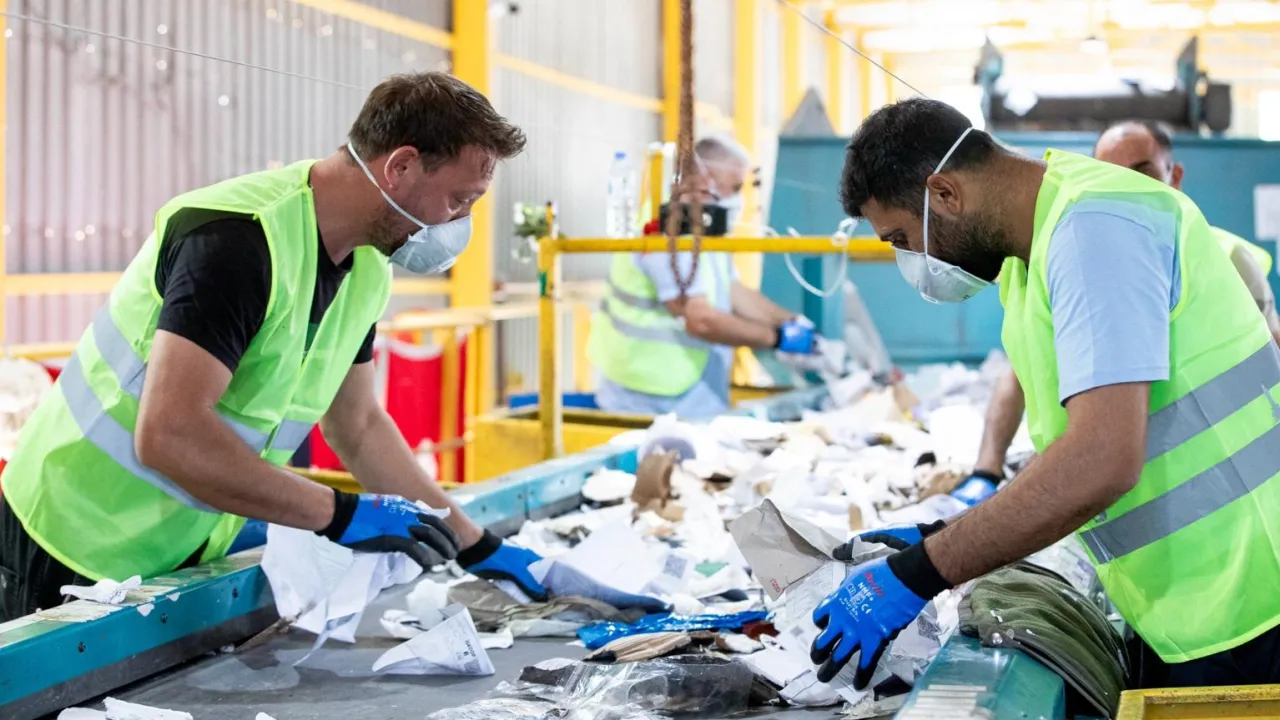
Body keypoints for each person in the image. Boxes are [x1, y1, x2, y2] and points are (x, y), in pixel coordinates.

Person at [0, 72, 549, 621]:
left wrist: (477, 545)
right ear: (401, 166)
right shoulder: (235, 240)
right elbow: (169, 434)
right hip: (67, 535)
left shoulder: (367, 269)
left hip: (172, 548)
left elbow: (357, 425)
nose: (459, 223)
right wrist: (336, 513)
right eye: (459, 200)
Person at [812, 98, 1280, 690]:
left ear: (945, 193)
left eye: (903, 238)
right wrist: (946, 533)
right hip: (1193, 600)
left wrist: (922, 571)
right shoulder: (1030, 253)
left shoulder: (1096, 229)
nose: (914, 262)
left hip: (1252, 599)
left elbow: (1101, 459)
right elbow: (1073, 442)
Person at [962, 119, 1280, 502]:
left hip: (1229, 488)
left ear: (1175, 176)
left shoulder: (1224, 258)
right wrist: (986, 471)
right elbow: (1019, 376)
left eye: (1142, 172)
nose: (1124, 186)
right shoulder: (1078, 268)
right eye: (1108, 174)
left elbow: (1266, 365)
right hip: (1125, 506)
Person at [591, 134, 822, 419]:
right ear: (704, 179)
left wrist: (794, 324)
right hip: (646, 397)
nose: (738, 198)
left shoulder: (706, 227)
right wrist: (777, 338)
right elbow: (700, 319)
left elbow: (733, 291)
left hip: (688, 394)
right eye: (734, 187)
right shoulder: (668, 227)